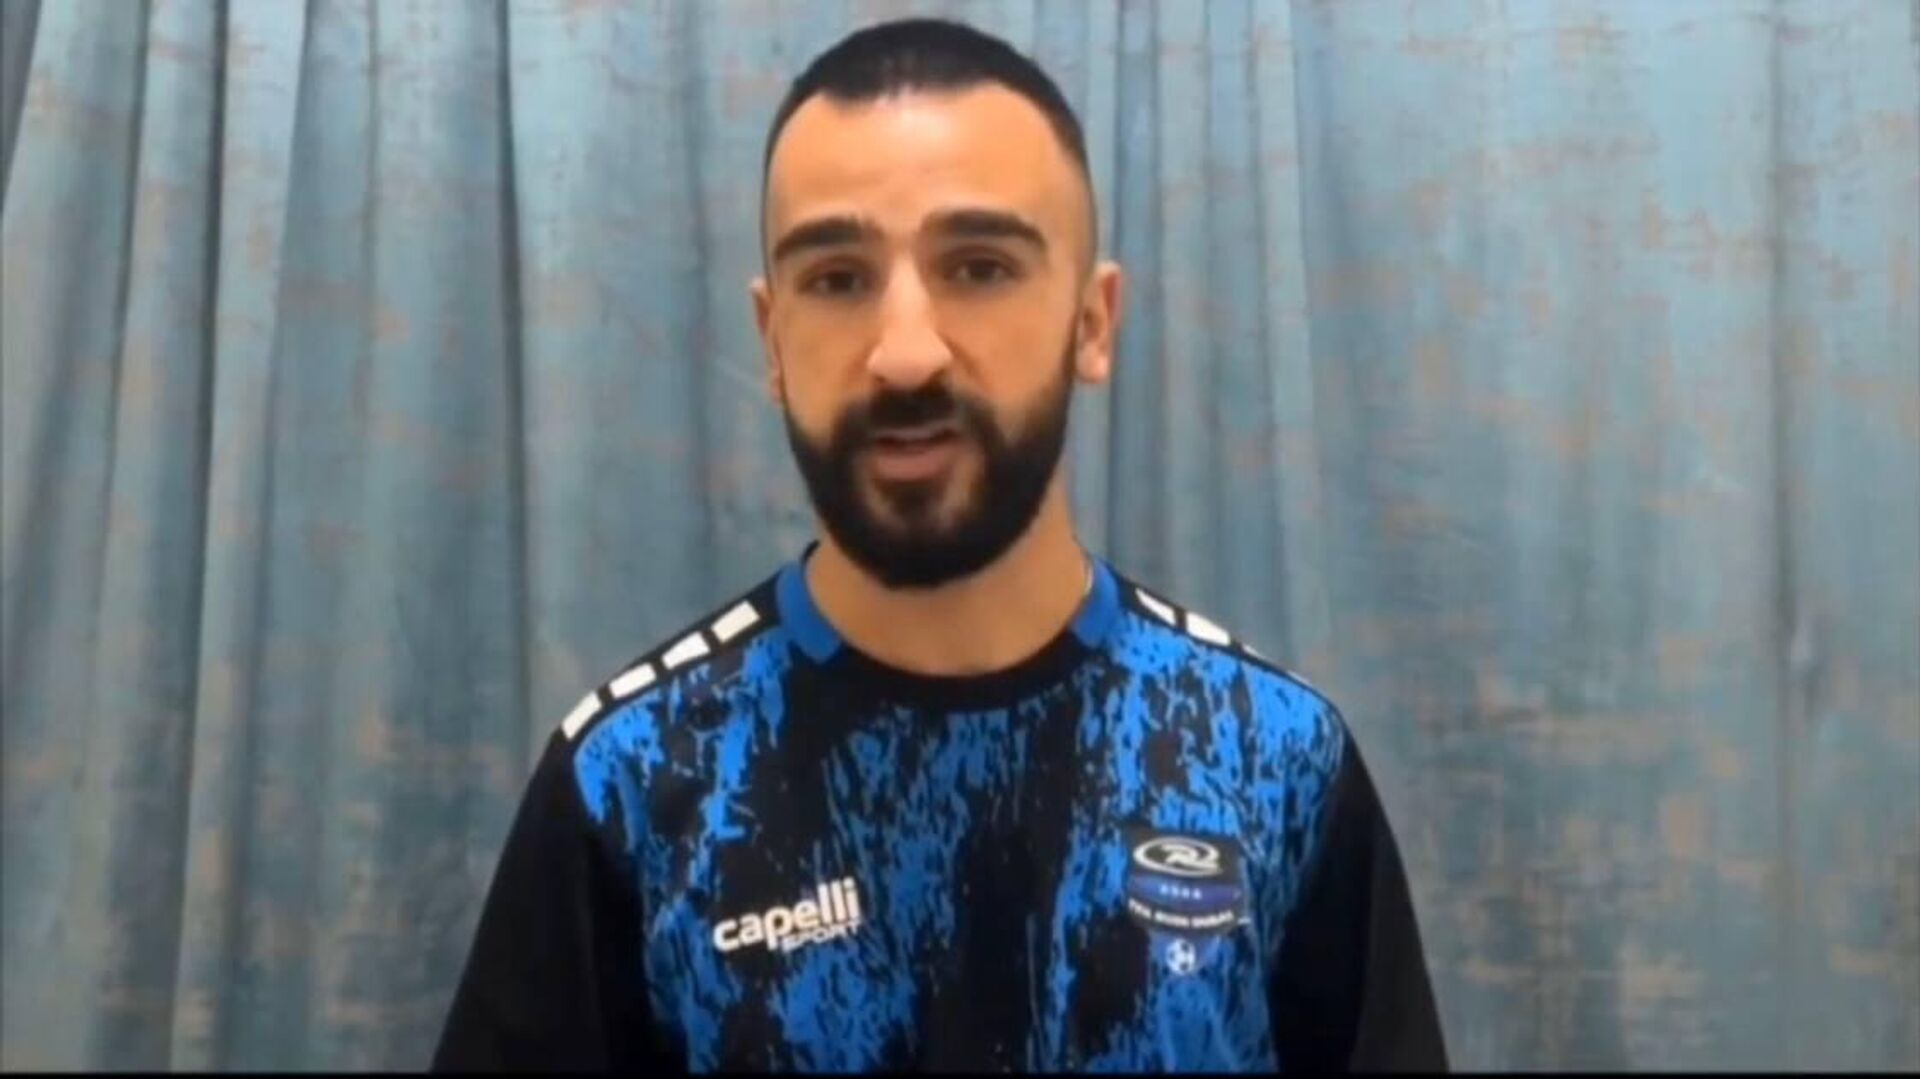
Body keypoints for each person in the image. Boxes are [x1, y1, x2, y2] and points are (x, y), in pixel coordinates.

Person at [432, 16, 1447, 1073]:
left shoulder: (1274, 758)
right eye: (837, 278)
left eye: (979, 266)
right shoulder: (632, 782)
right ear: (773, 340)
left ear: (1093, 322)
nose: (906, 353)